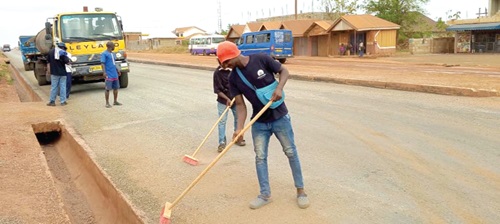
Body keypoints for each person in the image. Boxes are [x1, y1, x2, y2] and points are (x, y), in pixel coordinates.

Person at [216, 41, 310, 210]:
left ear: (233, 55)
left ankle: (301, 191)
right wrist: (239, 128)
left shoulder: (260, 59)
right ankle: (265, 194)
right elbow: (240, 105)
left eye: (227, 62)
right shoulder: (233, 78)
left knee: (290, 152)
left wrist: (279, 88)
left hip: (280, 117)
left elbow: (284, 71)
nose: (227, 66)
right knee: (260, 158)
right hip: (259, 123)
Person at [213, 59, 245, 153]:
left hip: (236, 100)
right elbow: (217, 90)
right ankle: (222, 142)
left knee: (238, 119)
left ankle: (237, 137)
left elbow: (240, 85)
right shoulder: (217, 73)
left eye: (226, 63)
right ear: (219, 63)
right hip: (223, 100)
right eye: (222, 64)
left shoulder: (234, 71)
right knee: (222, 121)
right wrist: (227, 99)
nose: (225, 65)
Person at [46, 42, 70, 106]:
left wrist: (49, 70)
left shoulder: (51, 52)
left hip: (54, 72)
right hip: (62, 73)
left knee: (54, 87)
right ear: (63, 47)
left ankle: (52, 101)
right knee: (63, 87)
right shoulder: (63, 53)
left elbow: (48, 62)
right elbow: (67, 62)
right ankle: (63, 101)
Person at [101, 41, 122, 108]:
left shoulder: (113, 54)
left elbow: (114, 63)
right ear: (110, 46)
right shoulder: (104, 54)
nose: (114, 47)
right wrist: (104, 72)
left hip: (114, 74)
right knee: (107, 89)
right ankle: (107, 103)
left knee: (116, 88)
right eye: (113, 46)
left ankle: (115, 101)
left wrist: (117, 69)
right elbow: (102, 63)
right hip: (108, 74)